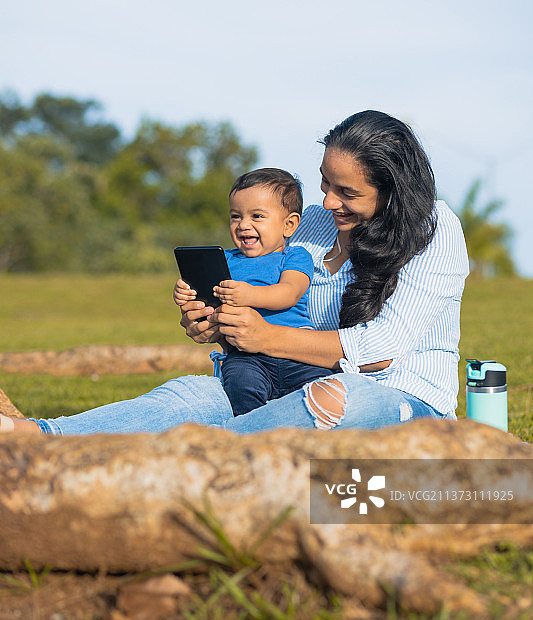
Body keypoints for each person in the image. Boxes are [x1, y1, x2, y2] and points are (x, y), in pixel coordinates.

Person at [1, 110, 469, 438]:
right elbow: (264, 299)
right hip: (284, 379)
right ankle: (37, 437)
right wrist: (215, 322)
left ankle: (196, 458)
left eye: (346, 192)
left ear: (391, 191)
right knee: (193, 395)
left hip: (401, 400)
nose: (327, 201)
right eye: (325, 183)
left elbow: (382, 349)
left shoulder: (435, 229)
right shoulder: (309, 223)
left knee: (335, 398)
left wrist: (265, 337)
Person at [173, 168, 334, 415]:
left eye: (257, 216)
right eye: (235, 216)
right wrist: (187, 294)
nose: (243, 225)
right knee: (240, 386)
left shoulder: (294, 256)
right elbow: (207, 300)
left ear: (289, 225)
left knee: (325, 388)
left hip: (297, 352)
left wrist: (249, 296)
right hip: (246, 355)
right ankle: (252, 428)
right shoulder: (225, 260)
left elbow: (289, 292)